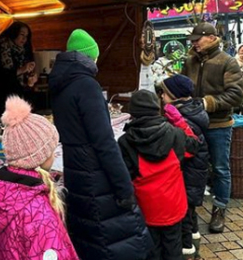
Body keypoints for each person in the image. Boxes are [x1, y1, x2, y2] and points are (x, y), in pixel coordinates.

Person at [49, 29, 152, 259]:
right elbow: (104, 143)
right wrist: (124, 188)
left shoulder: (58, 85)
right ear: (89, 57)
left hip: (75, 171)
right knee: (114, 240)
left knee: (88, 238)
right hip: (97, 175)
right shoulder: (87, 85)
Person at [0, 96, 79, 260]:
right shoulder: (39, 214)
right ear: (36, 157)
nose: (54, 154)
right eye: (50, 149)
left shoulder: (3, 193)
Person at [118, 90, 198, 260]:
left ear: (132, 113)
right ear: (157, 109)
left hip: (147, 208)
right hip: (174, 206)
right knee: (173, 249)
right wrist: (180, 122)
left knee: (151, 251)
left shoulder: (125, 142)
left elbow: (125, 178)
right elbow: (194, 147)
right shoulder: (175, 134)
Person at [181, 22, 243, 233]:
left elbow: (236, 95)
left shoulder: (227, 62)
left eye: (197, 39)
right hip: (193, 124)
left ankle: (219, 209)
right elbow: (182, 87)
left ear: (211, 37)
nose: (194, 44)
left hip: (218, 124)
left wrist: (207, 103)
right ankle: (189, 209)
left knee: (220, 168)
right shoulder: (190, 61)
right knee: (191, 166)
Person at [161, 75, 209, 260]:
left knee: (185, 217)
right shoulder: (193, 110)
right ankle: (194, 243)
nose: (161, 96)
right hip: (193, 174)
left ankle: (187, 251)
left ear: (174, 96)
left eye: (164, 93)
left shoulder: (183, 118)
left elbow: (187, 149)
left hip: (188, 174)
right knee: (190, 213)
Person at [0, 21, 37, 127]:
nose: (24, 39)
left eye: (26, 36)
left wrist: (31, 79)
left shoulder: (24, 51)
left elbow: (25, 77)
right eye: (21, 35)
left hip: (18, 99)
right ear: (14, 33)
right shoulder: (0, 47)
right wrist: (22, 70)